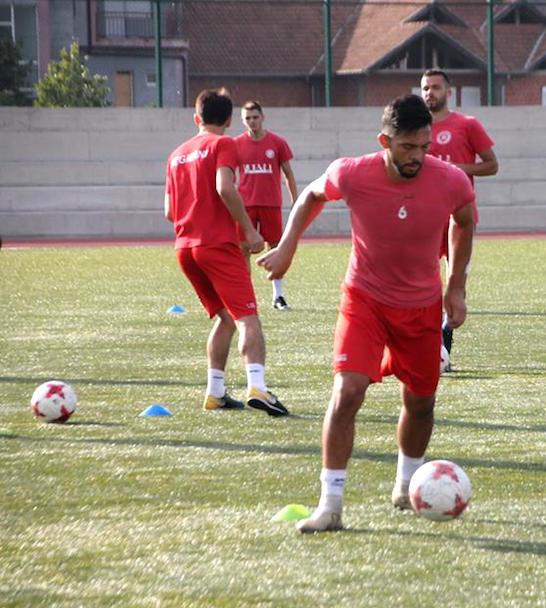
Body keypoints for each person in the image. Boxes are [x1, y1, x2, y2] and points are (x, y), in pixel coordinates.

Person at [257, 95, 476, 533]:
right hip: (365, 300)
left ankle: (405, 483)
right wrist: (286, 247)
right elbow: (311, 196)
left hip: (422, 307)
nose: (417, 157)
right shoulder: (353, 172)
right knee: (347, 392)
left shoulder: (450, 180)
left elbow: (465, 220)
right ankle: (330, 505)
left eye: (424, 147)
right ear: (385, 141)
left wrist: (456, 286)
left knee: (420, 401)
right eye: (407, 148)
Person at [164, 88, 289, 417]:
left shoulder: (177, 154)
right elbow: (224, 186)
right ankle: (258, 386)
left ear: (197, 118)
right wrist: (248, 230)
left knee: (225, 318)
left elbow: (168, 211)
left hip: (185, 248)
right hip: (217, 244)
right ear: (231, 120)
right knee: (249, 318)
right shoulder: (224, 144)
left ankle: (215, 392)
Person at [420, 69, 498, 371]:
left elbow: (492, 165)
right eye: (426, 88)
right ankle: (430, 347)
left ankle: (443, 349)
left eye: (436, 87)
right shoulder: (416, 129)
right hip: (424, 218)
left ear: (448, 92)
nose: (430, 93)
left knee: (456, 282)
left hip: (460, 217)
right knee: (425, 284)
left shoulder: (467, 125)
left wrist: (456, 170)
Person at [234, 100, 298, 310]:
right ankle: (247, 297)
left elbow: (288, 173)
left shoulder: (277, 143)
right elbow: (227, 175)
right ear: (243, 121)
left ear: (262, 118)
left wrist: (295, 200)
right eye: (248, 118)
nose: (252, 121)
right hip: (246, 206)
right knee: (243, 248)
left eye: (255, 117)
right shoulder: (236, 144)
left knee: (276, 248)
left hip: (271, 203)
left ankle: (278, 296)